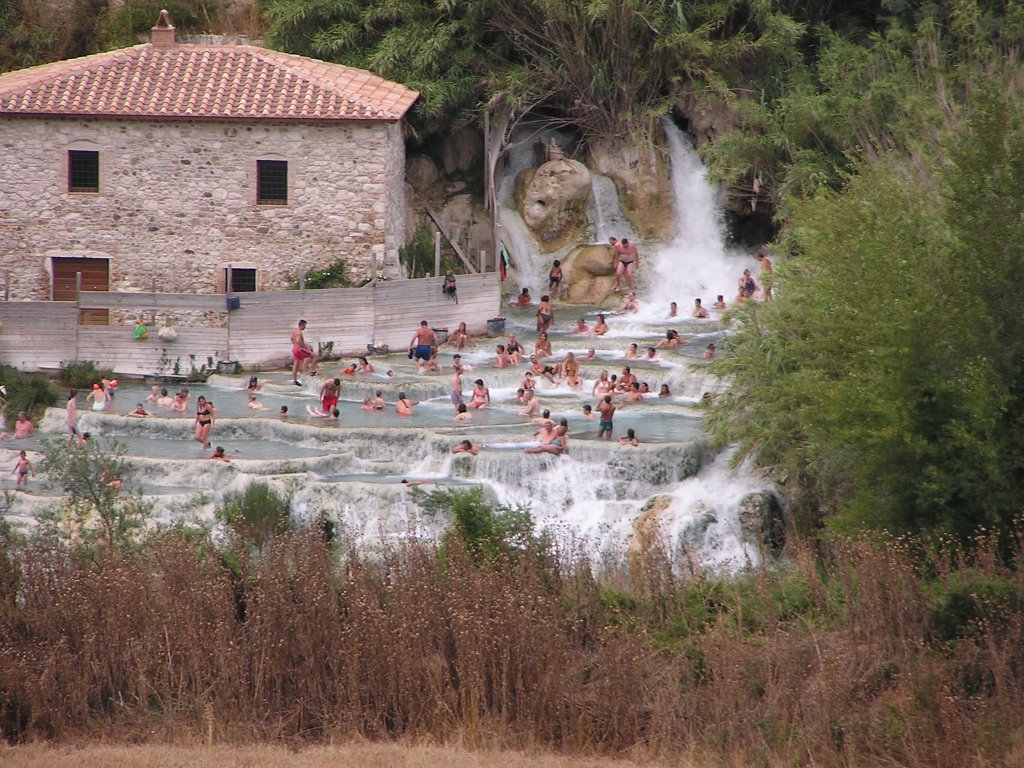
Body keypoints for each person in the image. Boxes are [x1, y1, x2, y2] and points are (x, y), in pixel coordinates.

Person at [291, 319, 318, 385]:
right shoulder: (299, 332)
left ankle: (295, 380)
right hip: (299, 349)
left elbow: (292, 339)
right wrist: (303, 347)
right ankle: (313, 371)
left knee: (295, 364)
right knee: (314, 356)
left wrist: (295, 345)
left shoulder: (294, 332)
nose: (305, 327)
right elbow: (298, 341)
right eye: (305, 326)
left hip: (294, 349)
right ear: (301, 325)